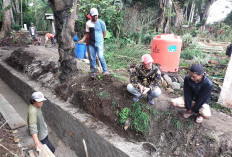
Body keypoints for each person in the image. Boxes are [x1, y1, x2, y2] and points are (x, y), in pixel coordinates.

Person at [79, 8, 108, 78]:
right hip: (91, 44)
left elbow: (104, 33)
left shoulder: (101, 23)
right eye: (93, 15)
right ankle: (93, 72)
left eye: (96, 15)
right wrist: (82, 40)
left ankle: (105, 71)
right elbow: (87, 34)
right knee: (92, 58)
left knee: (101, 57)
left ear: (98, 15)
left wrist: (100, 40)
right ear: (90, 16)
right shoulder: (88, 23)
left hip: (99, 43)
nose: (95, 17)